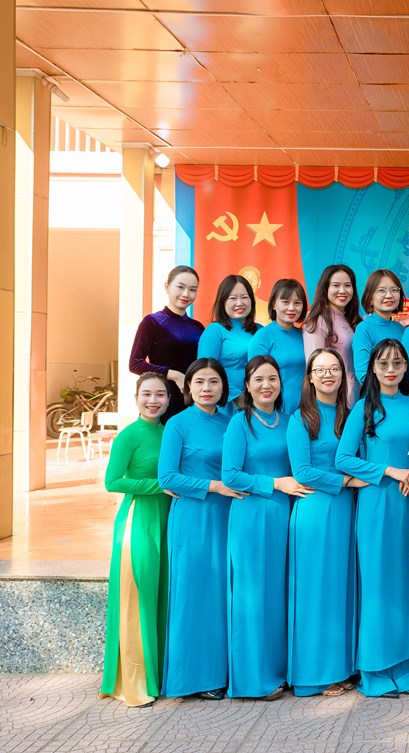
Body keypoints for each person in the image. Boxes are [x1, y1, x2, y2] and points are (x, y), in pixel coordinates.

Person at [334, 339, 409, 697]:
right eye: (384, 363)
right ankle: (375, 670)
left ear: (406, 368)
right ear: (372, 368)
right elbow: (343, 459)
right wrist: (389, 470)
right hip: (377, 504)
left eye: (398, 362)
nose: (391, 369)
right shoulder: (363, 408)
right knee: (377, 585)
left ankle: (408, 670)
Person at [221, 355, 313, 699]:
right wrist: (274, 483)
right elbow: (230, 475)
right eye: (258, 379)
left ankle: (276, 671)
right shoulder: (239, 423)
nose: (266, 385)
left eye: (272, 378)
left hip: (283, 515)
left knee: (277, 595)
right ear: (247, 385)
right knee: (252, 596)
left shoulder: (290, 421)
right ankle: (250, 681)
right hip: (252, 515)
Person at [158, 358, 241, 700]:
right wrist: (214, 486)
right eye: (199, 382)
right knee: (195, 594)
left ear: (224, 387)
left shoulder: (232, 421)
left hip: (229, 515)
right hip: (194, 517)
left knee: (223, 594)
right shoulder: (177, 424)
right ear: (188, 387)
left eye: (214, 382)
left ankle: (222, 672)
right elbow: (167, 477)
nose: (207, 388)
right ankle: (192, 678)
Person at [286, 349, 366, 697]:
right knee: (315, 590)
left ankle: (339, 668)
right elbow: (302, 471)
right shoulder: (301, 418)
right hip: (316, 510)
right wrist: (346, 481)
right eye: (320, 370)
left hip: (346, 511)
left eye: (334, 368)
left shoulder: (350, 414)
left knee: (339, 590)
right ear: (310, 377)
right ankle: (312, 676)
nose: (328, 375)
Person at [100, 374, 171, 707]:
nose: (153, 401)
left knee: (160, 596)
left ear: (169, 399)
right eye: (147, 394)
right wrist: (161, 485)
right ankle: (135, 683)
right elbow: (112, 481)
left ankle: (159, 675)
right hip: (137, 520)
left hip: (166, 519)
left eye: (160, 394)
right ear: (136, 398)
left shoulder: (169, 432)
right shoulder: (128, 436)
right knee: (137, 597)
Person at [129, 265, 204, 423]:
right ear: (167, 287)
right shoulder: (152, 322)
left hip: (192, 400)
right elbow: (135, 363)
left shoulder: (198, 327)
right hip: (162, 401)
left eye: (192, 289)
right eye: (180, 287)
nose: (186, 294)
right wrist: (174, 375)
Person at [302, 264, 362, 404]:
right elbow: (315, 366)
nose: (342, 290)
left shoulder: (351, 319)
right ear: (325, 288)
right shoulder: (317, 320)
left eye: (347, 285)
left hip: (357, 394)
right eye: (336, 285)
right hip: (335, 398)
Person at [247, 278, 308, 417]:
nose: (291, 308)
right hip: (275, 410)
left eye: (297, 303)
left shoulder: (304, 335)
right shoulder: (263, 336)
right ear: (274, 304)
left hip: (305, 410)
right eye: (285, 302)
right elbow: (254, 378)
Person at [198, 275, 258, 413]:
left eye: (244, 297)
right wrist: (237, 396)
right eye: (232, 298)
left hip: (258, 402)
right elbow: (205, 371)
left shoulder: (261, 330)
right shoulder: (215, 331)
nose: (239, 303)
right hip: (226, 404)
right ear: (222, 302)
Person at [351, 269, 406, 383]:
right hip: (377, 393)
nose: (389, 295)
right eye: (381, 290)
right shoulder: (364, 329)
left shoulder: (400, 328)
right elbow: (363, 374)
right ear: (370, 298)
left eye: (394, 290)